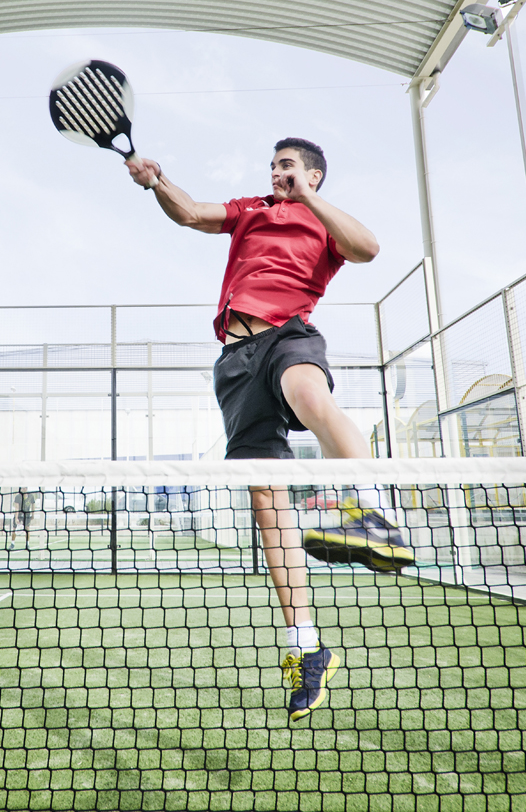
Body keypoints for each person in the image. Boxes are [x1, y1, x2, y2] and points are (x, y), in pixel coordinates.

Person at [125, 138, 413, 721]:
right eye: (274, 165)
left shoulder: (325, 222)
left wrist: (308, 198)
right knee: (265, 493)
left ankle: (373, 510)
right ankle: (306, 646)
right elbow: (189, 212)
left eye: (288, 166)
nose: (277, 172)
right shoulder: (252, 209)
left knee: (308, 394)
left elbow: (370, 248)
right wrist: (156, 179)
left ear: (313, 175)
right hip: (235, 361)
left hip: (289, 336)